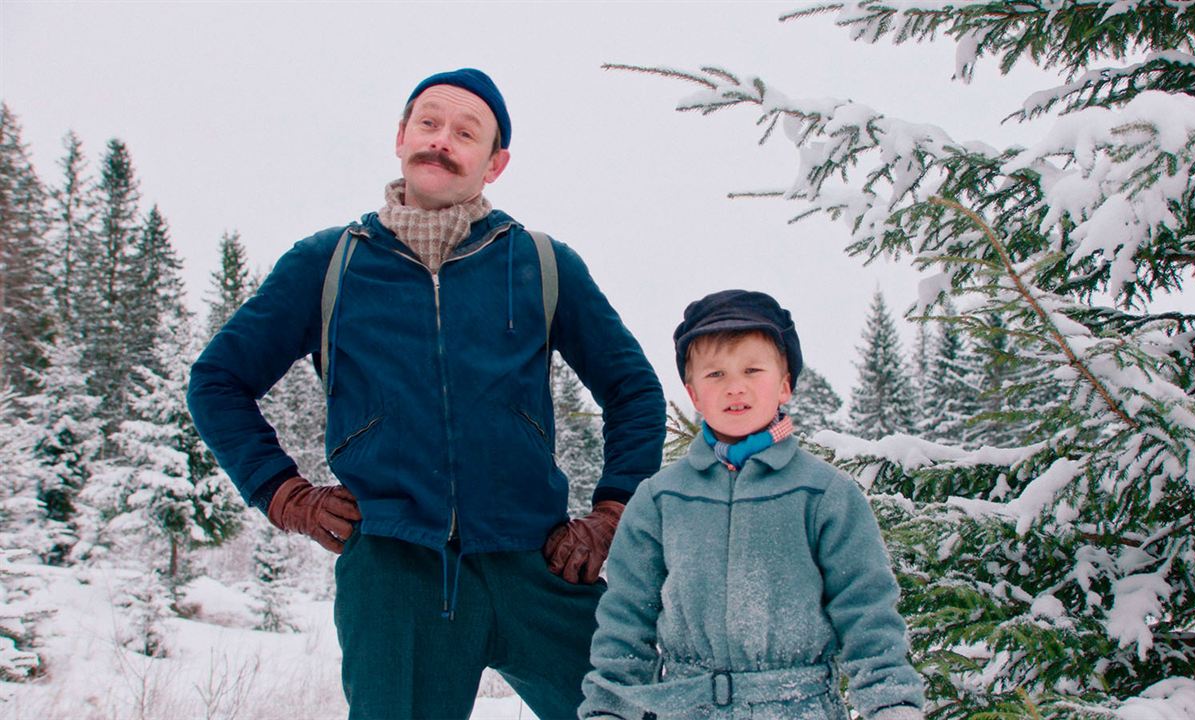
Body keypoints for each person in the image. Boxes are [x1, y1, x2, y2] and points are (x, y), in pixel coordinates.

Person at [187, 68, 666, 720]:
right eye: (429, 123)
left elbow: (634, 389)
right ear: (401, 137)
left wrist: (612, 516)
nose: (442, 140)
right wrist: (285, 495)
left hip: (539, 565)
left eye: (466, 133)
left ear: (495, 163)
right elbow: (217, 380)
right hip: (394, 575)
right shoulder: (328, 265)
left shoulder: (544, 266)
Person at [579, 290, 926, 720]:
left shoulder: (824, 494)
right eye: (716, 374)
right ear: (693, 394)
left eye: (752, 369)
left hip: (799, 708)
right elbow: (625, 622)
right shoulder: (660, 500)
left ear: (784, 385)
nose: (735, 386)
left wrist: (891, 705)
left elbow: (867, 612)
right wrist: (610, 709)